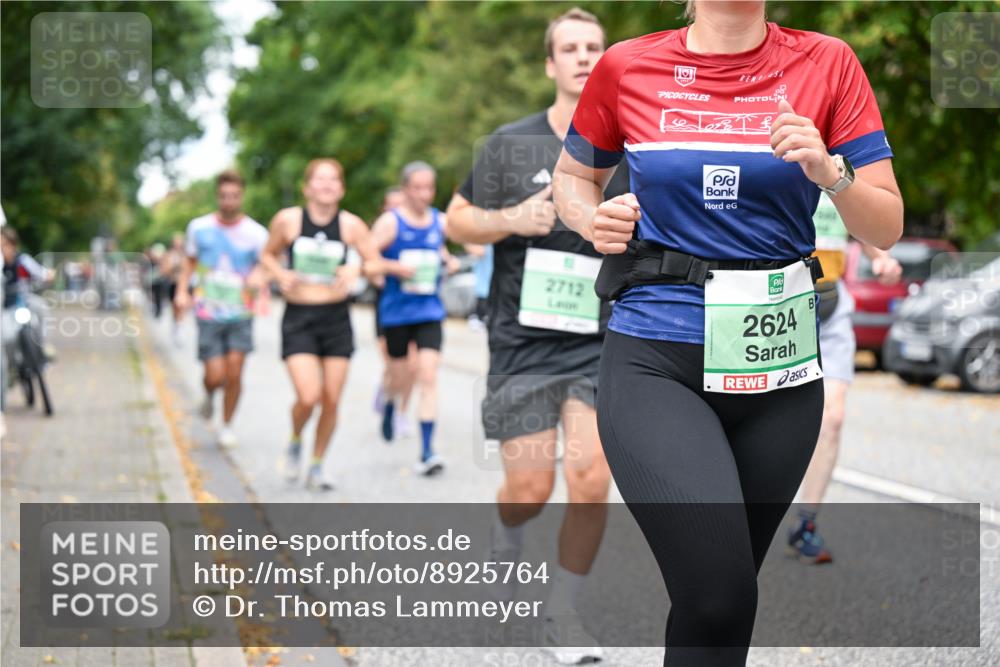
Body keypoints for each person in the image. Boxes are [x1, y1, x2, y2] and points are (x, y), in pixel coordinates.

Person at [552, 1, 903, 664]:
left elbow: (885, 225)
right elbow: (575, 177)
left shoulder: (828, 62)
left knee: (723, 601)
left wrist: (831, 171)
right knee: (716, 592)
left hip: (780, 367)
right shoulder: (628, 65)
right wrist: (589, 218)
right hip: (659, 357)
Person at [447, 8, 630, 663]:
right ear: (550, 64)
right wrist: (510, 218)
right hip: (524, 342)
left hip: (600, 338)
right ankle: (506, 529)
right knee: (530, 488)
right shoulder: (510, 144)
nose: (584, 57)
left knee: (590, 474)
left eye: (595, 47)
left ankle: (564, 611)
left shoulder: (634, 147)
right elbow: (457, 221)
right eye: (570, 48)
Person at [788, 194, 902, 563]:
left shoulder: (839, 171)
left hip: (831, 303)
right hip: (780, 304)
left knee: (832, 418)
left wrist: (880, 257)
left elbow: (857, 223)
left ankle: (806, 525)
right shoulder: (777, 156)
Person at [261, 158, 382, 491]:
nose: (327, 185)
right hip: (299, 318)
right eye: (320, 179)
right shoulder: (288, 221)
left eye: (333, 180)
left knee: (331, 399)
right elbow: (267, 255)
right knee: (309, 395)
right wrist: (279, 274)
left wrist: (357, 270)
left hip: (336, 319)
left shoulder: (352, 226)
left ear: (341, 189)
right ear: (307, 187)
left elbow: (374, 263)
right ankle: (296, 437)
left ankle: (316, 464)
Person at [370, 161, 458, 476]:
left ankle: (427, 451)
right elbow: (367, 261)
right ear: (406, 189)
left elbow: (443, 249)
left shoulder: (440, 221)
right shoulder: (389, 223)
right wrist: (393, 268)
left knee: (428, 376)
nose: (424, 194)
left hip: (429, 312)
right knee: (399, 374)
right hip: (396, 313)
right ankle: (391, 403)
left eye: (429, 188)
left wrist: (449, 261)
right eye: (417, 188)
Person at [174, 170, 268, 448]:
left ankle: (226, 425)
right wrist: (181, 291)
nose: (229, 201)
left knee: (235, 372)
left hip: (241, 311)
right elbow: (189, 262)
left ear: (242, 196)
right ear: (217, 196)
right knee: (215, 374)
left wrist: (259, 276)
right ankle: (209, 394)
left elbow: (267, 264)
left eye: (234, 196)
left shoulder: (256, 233)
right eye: (224, 196)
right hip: (208, 311)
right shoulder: (199, 228)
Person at [372, 187, 418, 440]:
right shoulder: (381, 235)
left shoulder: (414, 231)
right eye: (392, 206)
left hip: (415, 308)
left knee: (412, 367)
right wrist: (382, 272)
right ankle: (386, 390)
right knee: (393, 365)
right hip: (387, 309)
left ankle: (402, 413)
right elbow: (367, 262)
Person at [162, 233, 186, 346]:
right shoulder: (168, 255)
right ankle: (176, 325)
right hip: (172, 284)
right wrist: (174, 267)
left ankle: (180, 328)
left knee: (181, 307)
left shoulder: (185, 255)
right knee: (174, 307)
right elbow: (165, 271)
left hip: (183, 285)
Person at [465, 242, 492, 331]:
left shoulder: (489, 245)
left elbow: (478, 250)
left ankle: (479, 319)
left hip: (488, 285)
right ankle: (477, 319)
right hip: (484, 286)